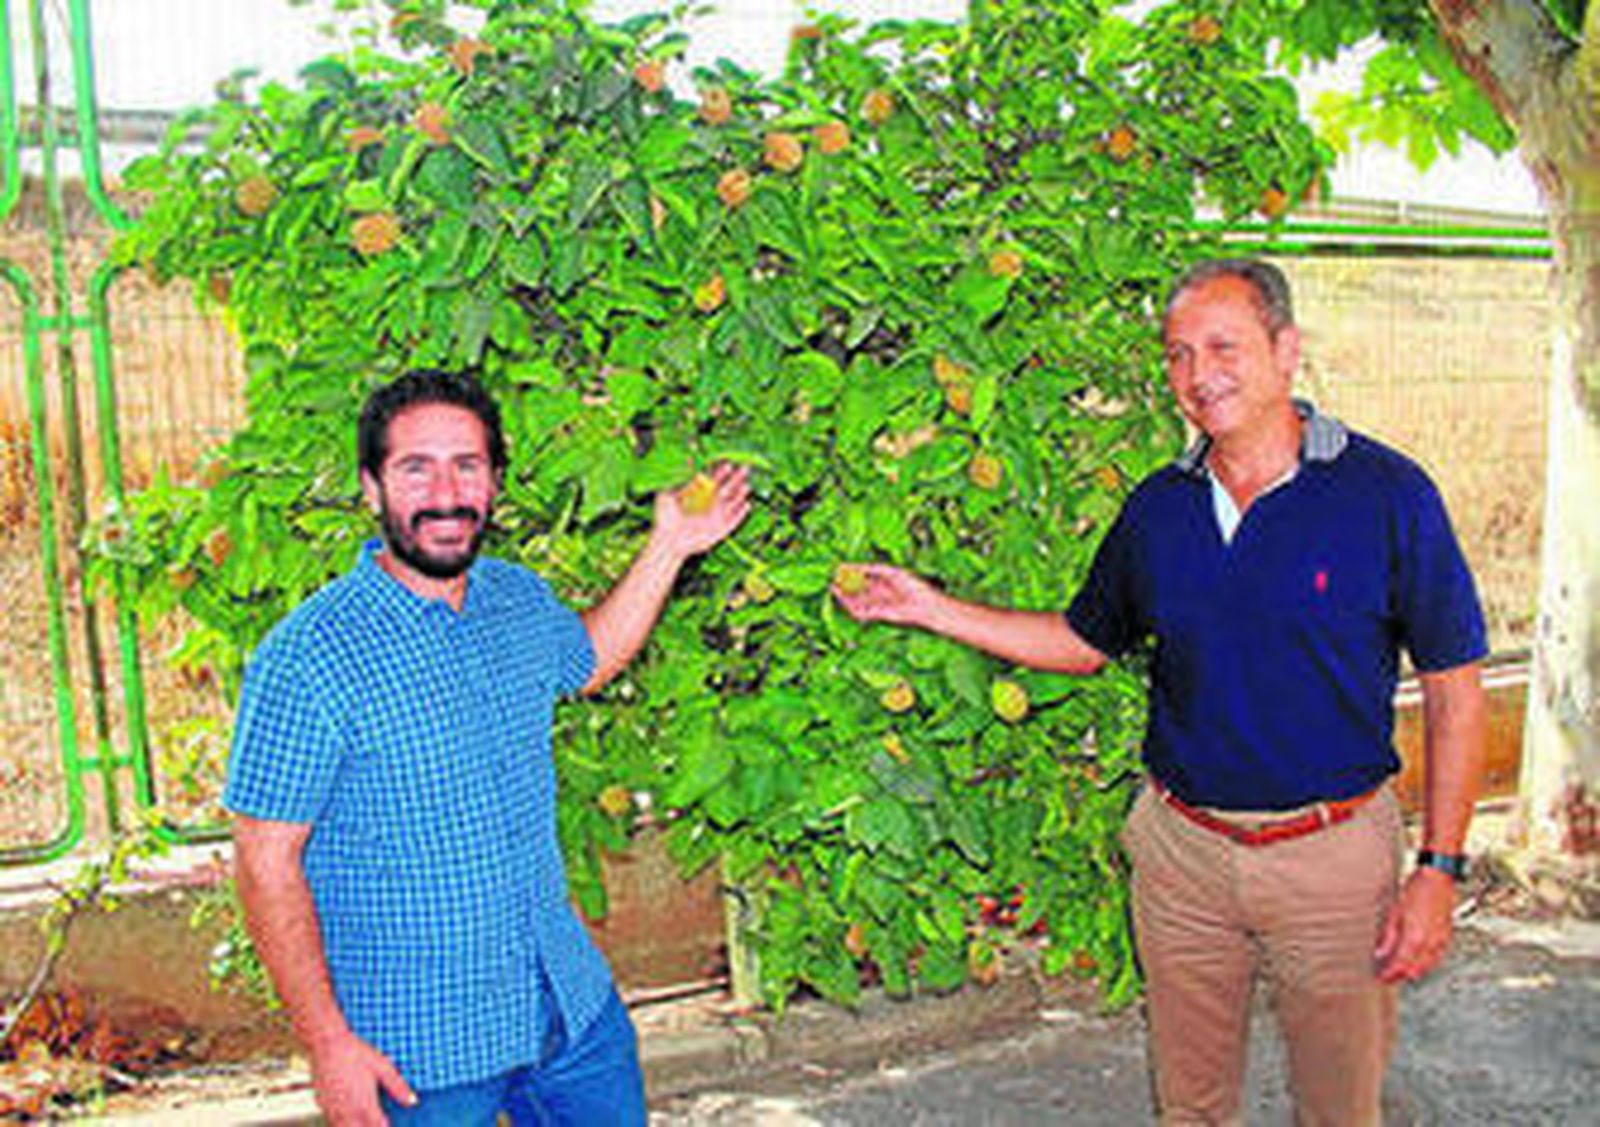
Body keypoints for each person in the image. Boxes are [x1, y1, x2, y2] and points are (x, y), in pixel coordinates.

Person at [834, 258, 1487, 1125]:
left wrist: (1439, 868)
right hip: (1183, 857)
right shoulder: (1160, 509)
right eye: (1177, 354)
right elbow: (1081, 641)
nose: (1197, 374)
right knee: (1191, 1108)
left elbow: (1454, 686)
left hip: (1331, 859)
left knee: (1340, 1108)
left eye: (1223, 345)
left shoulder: (1385, 495)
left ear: (1286, 350)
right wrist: (928, 607)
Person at [224, 368, 750, 1126]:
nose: (446, 491)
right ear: (371, 487)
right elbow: (264, 857)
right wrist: (327, 1043)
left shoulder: (516, 597)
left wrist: (670, 545)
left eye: (467, 465)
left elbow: (589, 659)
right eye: (416, 467)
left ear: (494, 484)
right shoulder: (309, 656)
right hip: (416, 1049)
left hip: (565, 1004)